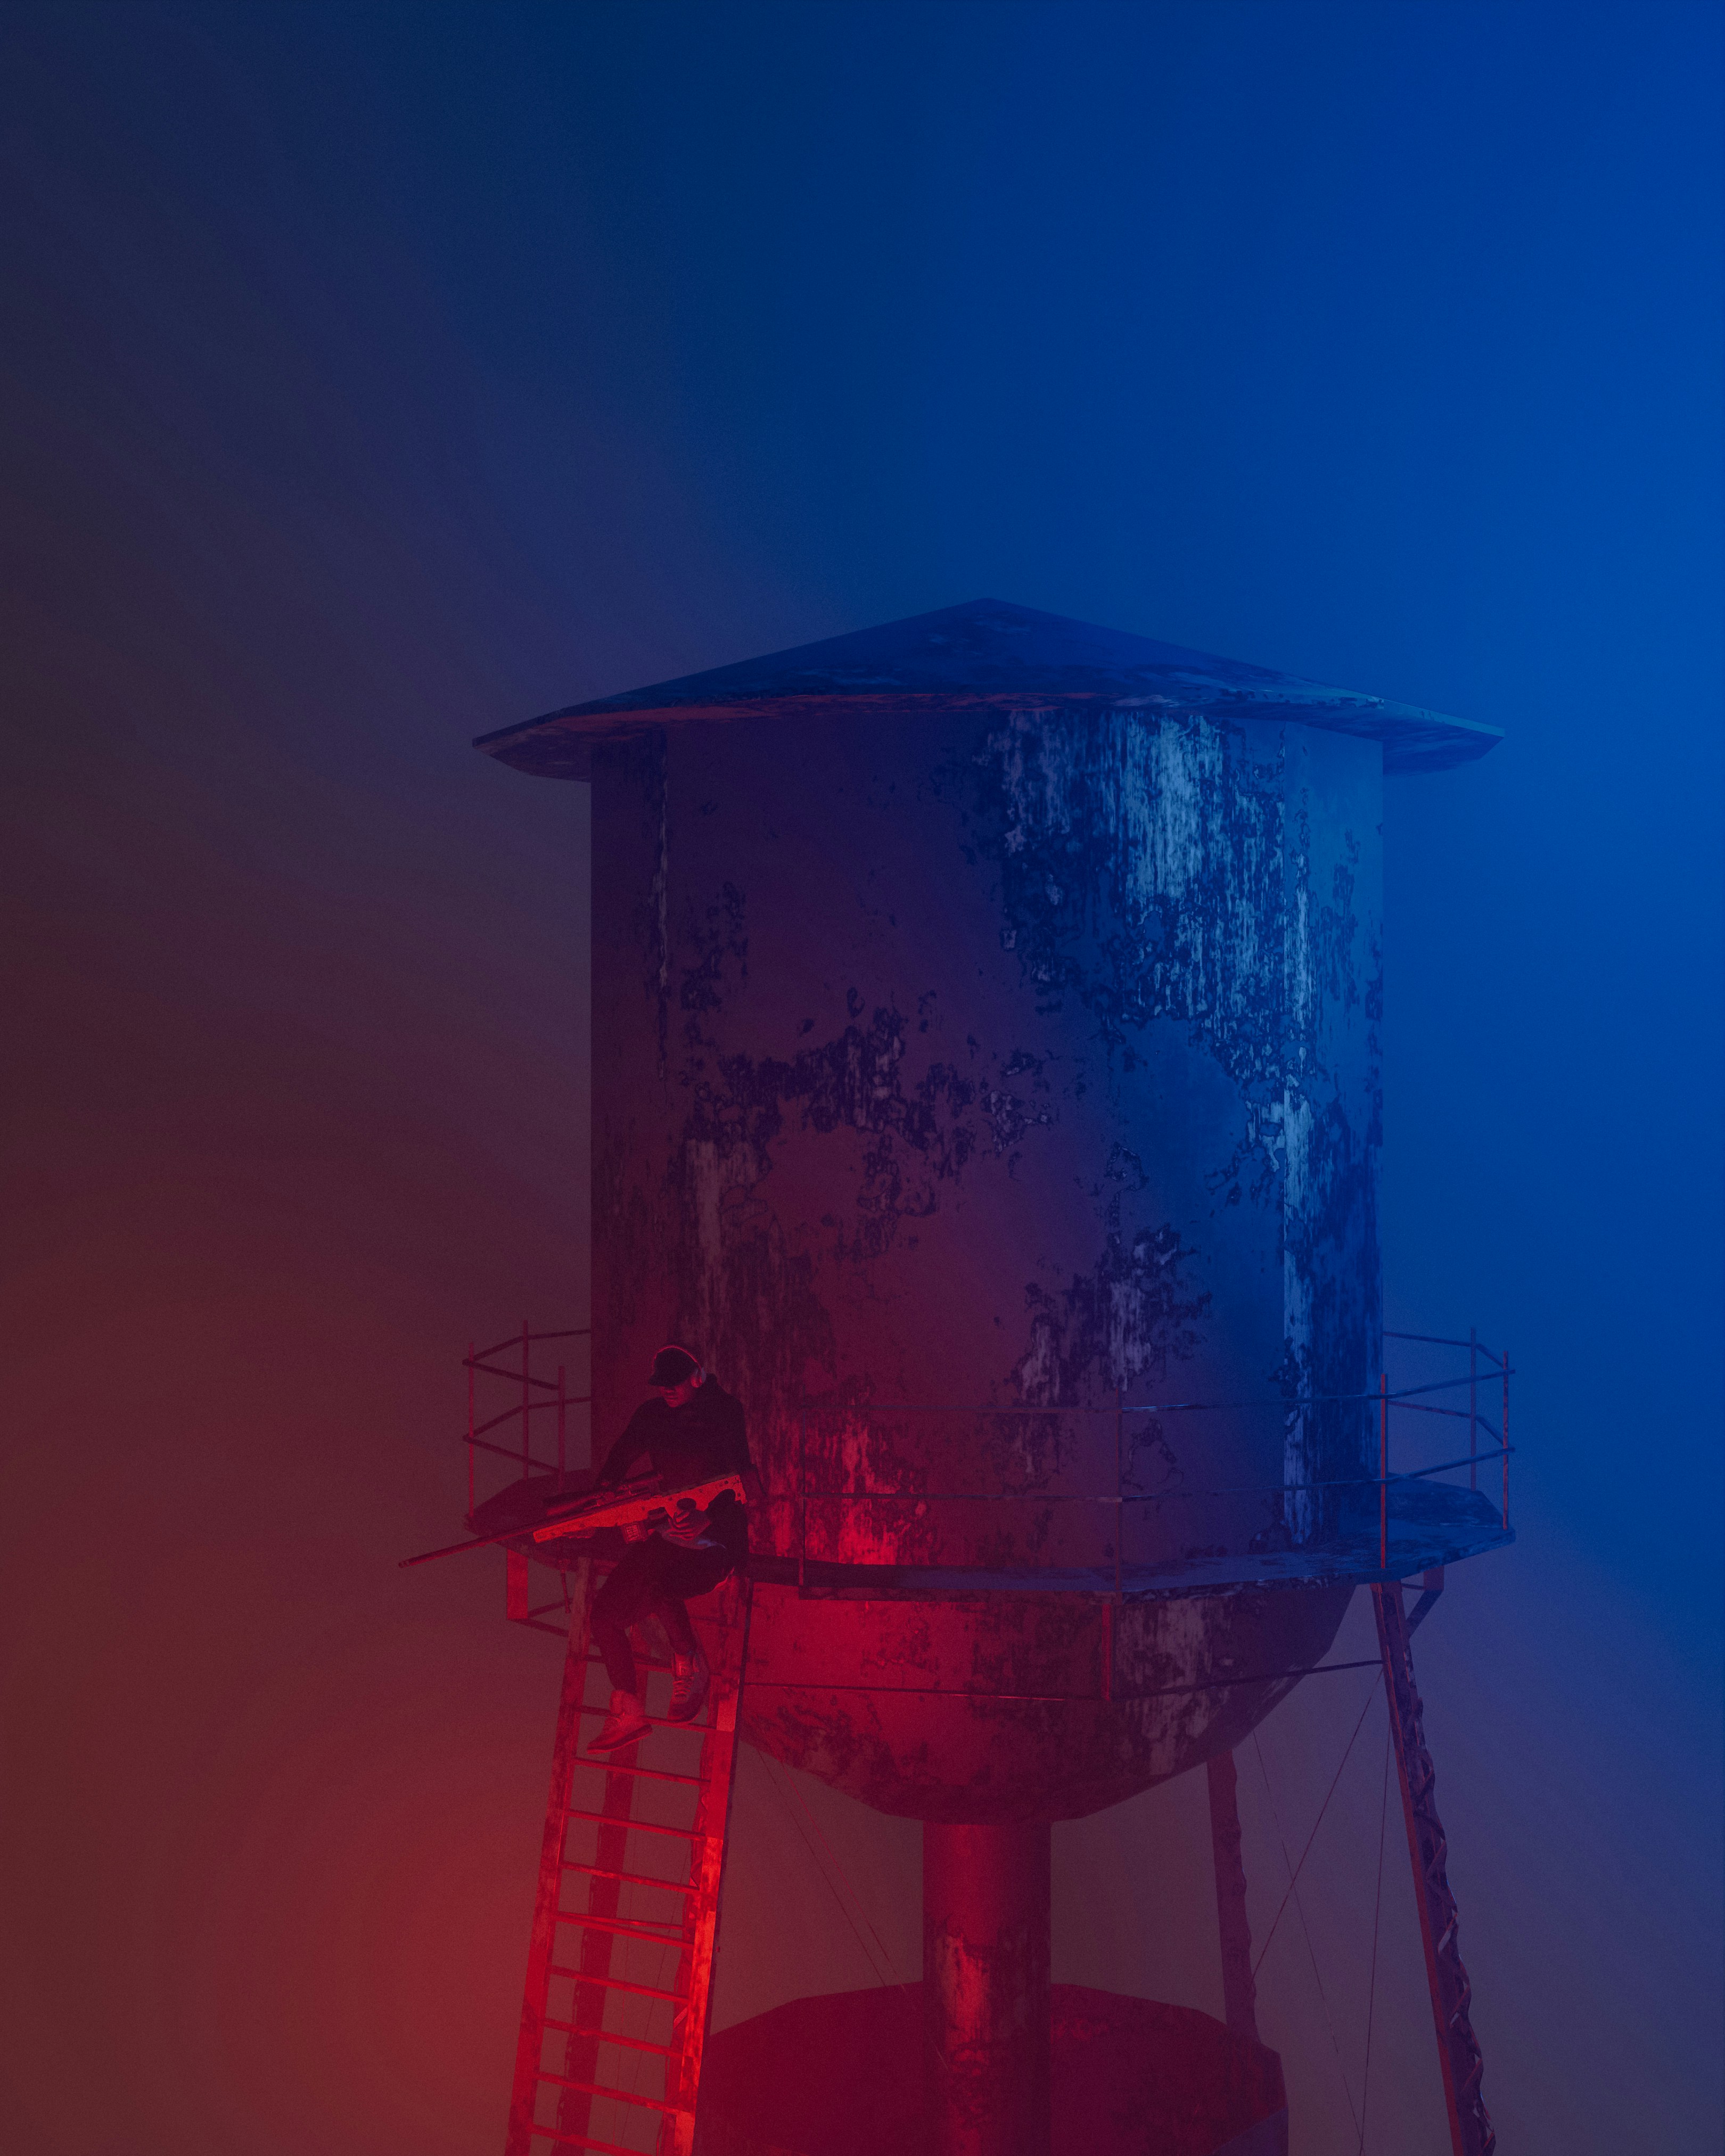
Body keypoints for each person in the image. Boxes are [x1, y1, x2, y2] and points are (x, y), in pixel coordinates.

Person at [587, 1344, 759, 1751]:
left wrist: (710, 1518)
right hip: (668, 1531)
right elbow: (619, 1460)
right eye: (661, 1384)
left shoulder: (723, 1411)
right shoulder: (651, 1415)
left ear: (696, 1376)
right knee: (604, 1617)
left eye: (675, 1382)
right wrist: (599, 1504)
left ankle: (689, 1663)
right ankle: (628, 1710)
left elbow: (746, 1480)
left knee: (664, 1587)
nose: (667, 1390)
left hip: (718, 1539)